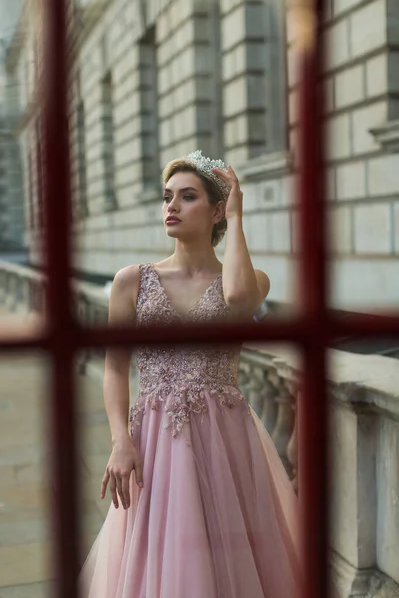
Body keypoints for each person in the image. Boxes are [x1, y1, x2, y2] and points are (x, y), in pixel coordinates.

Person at [79, 151, 302, 597]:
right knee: (164, 555)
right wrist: (120, 440)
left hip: (226, 437)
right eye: (167, 197)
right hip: (155, 439)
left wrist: (237, 215)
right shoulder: (131, 281)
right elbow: (115, 369)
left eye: (187, 197)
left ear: (216, 210)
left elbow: (239, 301)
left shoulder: (251, 280)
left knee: (230, 555)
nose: (171, 207)